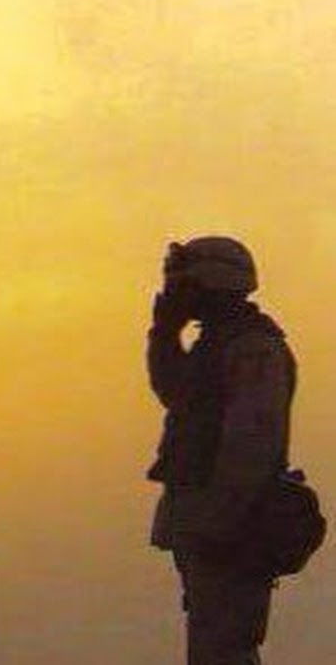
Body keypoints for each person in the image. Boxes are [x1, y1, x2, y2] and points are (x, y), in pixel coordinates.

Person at [146, 236, 296, 665]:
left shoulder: (252, 348)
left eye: (184, 283)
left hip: (233, 526)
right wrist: (164, 334)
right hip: (210, 521)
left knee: (226, 646)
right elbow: (176, 394)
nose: (174, 292)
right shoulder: (217, 345)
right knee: (211, 643)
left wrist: (219, 522)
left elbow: (251, 446)